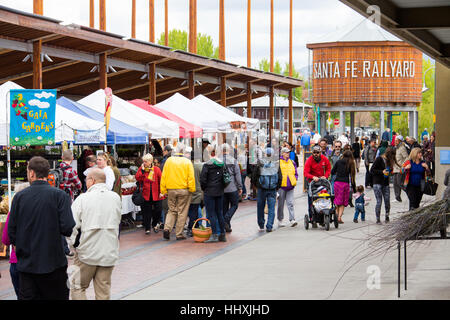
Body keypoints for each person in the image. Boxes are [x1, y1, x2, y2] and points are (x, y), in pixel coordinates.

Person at [8, 156, 75, 300]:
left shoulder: (19, 197)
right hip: (54, 263)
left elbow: (11, 232)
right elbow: (68, 227)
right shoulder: (60, 196)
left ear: (31, 173)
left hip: (27, 264)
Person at [69, 168, 121, 300]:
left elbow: (72, 225)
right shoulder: (115, 198)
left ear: (92, 180)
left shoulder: (83, 198)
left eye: (86, 180)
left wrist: (72, 245)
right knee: (103, 290)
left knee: (77, 286)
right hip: (109, 251)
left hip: (87, 251)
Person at [160, 143, 195, 241]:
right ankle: (179, 233)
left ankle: (167, 228)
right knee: (182, 212)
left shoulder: (169, 161)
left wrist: (163, 190)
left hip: (171, 189)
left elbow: (164, 176)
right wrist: (192, 189)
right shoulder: (187, 162)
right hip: (184, 190)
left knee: (171, 210)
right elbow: (191, 177)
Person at [2, 182, 30, 299]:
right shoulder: (43, 211)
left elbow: (6, 239)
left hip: (18, 260)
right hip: (40, 261)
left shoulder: (13, 212)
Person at [252, 147, 282, 232]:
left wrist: (255, 185)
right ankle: (269, 226)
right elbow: (280, 176)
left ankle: (261, 224)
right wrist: (277, 187)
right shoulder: (276, 163)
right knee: (271, 208)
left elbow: (254, 175)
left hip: (261, 188)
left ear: (265, 154)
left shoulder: (260, 163)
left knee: (260, 207)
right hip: (272, 188)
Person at [201, 146, 227, 242]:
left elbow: (203, 180)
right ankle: (222, 234)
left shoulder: (207, 165)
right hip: (219, 191)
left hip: (209, 192)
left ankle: (215, 234)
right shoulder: (221, 164)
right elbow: (226, 177)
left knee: (211, 214)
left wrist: (205, 188)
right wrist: (221, 187)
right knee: (219, 213)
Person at [303, 145, 332, 228]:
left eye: (317, 153)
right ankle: (312, 218)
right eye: (314, 153)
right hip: (313, 183)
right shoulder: (309, 160)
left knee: (325, 197)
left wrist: (325, 176)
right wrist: (313, 177)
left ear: (320, 152)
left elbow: (328, 168)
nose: (316, 154)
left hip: (323, 182)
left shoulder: (324, 159)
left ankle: (324, 215)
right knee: (311, 200)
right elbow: (306, 172)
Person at [135, 153, 163, 235]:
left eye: (146, 161)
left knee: (158, 210)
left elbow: (161, 181)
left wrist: (161, 192)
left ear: (150, 161)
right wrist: (143, 171)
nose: (144, 163)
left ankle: (154, 223)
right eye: (143, 161)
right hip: (145, 194)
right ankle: (147, 228)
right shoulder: (141, 169)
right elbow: (137, 178)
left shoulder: (156, 169)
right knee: (146, 212)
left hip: (156, 194)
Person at [370, 147, 397, 224]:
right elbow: (372, 170)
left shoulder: (389, 161)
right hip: (377, 182)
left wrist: (390, 172)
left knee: (387, 200)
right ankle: (378, 219)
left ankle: (387, 216)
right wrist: (382, 171)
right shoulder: (379, 159)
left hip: (385, 183)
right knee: (379, 201)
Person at [331, 150, 356, 224]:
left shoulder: (338, 162)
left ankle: (336, 216)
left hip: (337, 182)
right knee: (342, 202)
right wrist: (354, 189)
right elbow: (352, 177)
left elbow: (332, 172)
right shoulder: (351, 163)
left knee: (337, 200)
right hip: (345, 183)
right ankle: (339, 217)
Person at [222, 144, 243, 233]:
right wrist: (240, 187)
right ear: (229, 150)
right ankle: (226, 220)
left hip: (222, 188)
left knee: (224, 207)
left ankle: (226, 226)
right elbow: (238, 175)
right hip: (232, 187)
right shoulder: (233, 161)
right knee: (235, 205)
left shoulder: (217, 160)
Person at [277, 147, 298, 227]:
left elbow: (295, 172)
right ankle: (280, 219)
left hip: (290, 186)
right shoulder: (278, 162)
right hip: (281, 186)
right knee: (280, 204)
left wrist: (295, 179)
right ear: (282, 153)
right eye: (286, 152)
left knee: (290, 203)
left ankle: (292, 219)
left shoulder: (292, 162)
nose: (287, 154)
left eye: (288, 152)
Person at [187, 152, 204, 237]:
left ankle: (193, 226)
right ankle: (192, 227)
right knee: (196, 210)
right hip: (198, 191)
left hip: (188, 191)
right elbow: (203, 179)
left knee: (190, 211)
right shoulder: (200, 166)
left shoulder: (188, 166)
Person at [393, 135, 408, 202]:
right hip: (395, 168)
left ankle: (409, 192)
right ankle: (397, 197)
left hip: (400, 169)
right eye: (395, 140)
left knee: (400, 183)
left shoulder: (402, 148)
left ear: (400, 141)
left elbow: (406, 158)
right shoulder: (396, 148)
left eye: (397, 140)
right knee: (395, 183)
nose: (395, 141)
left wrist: (403, 166)